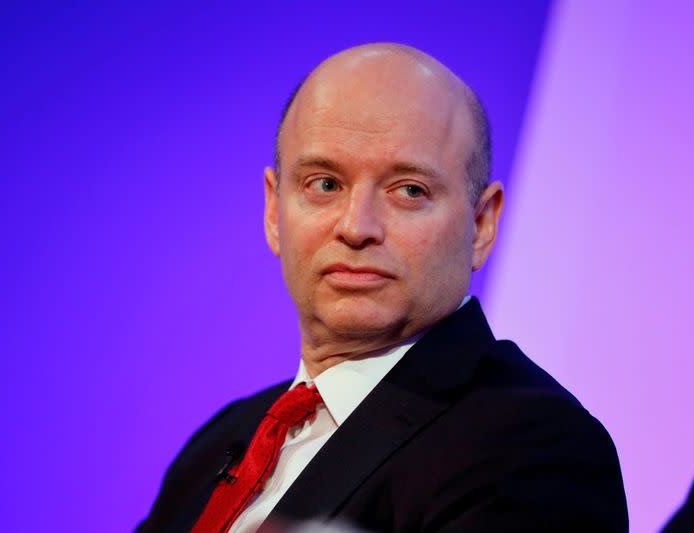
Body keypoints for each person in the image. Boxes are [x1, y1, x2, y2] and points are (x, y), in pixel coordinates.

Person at [137, 43, 628, 532]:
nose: (357, 226)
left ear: (481, 224)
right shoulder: (218, 445)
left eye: (410, 190)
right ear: (273, 211)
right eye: (325, 184)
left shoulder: (536, 448)